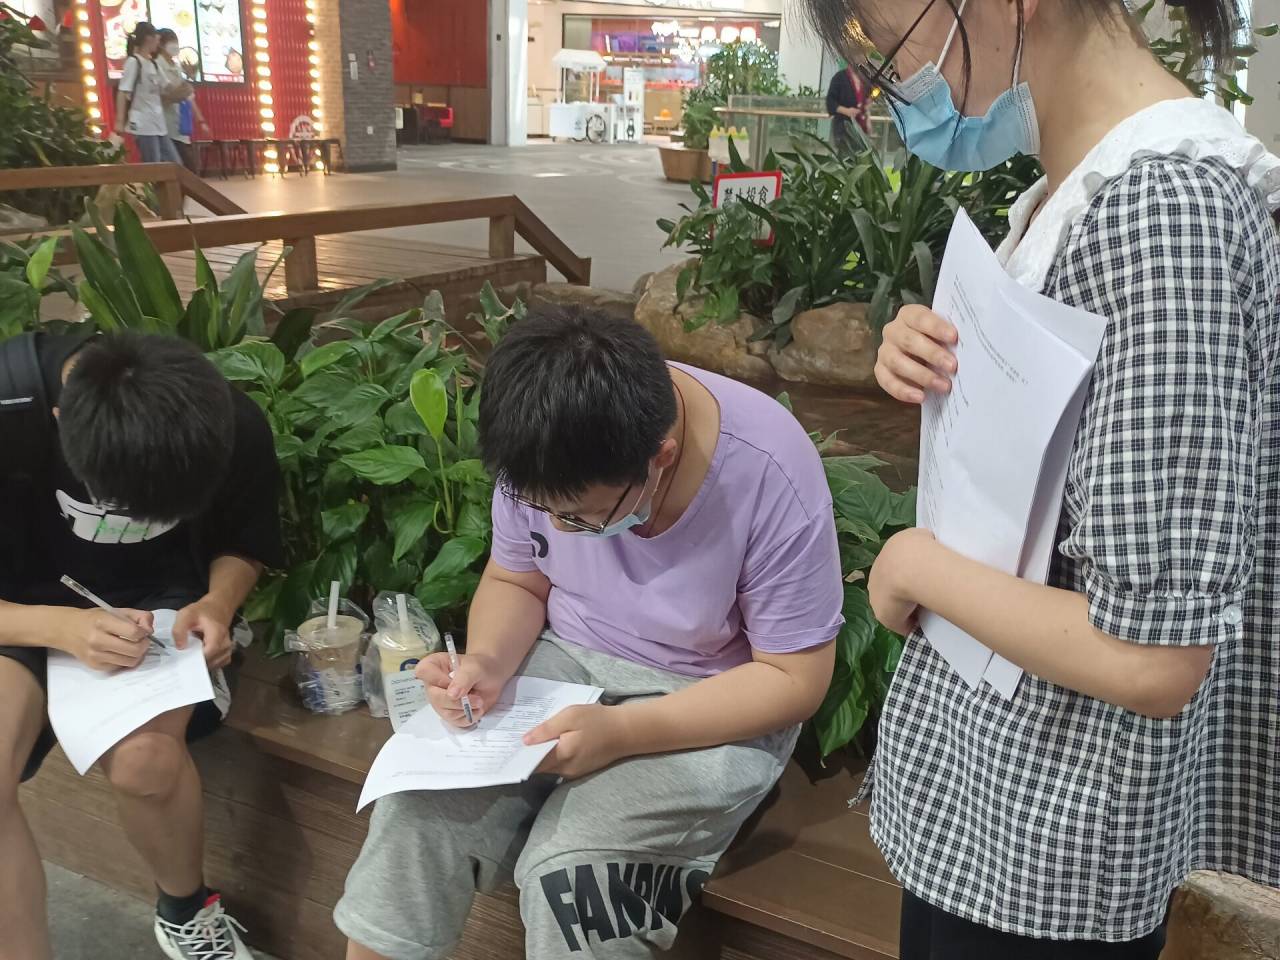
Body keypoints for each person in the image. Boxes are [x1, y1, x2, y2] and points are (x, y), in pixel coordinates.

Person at [800, 0, 1280, 957]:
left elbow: (1152, 658)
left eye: (887, 47)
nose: (896, 88)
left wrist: (913, 567)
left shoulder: (1163, 215)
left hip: (1050, 842)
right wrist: (936, 363)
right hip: (1000, 817)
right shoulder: (1084, 185)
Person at [336, 308, 842, 960]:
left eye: (578, 517)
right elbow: (518, 580)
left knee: (573, 877)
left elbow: (794, 678)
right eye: (542, 509)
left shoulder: (769, 470)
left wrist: (624, 731)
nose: (557, 529)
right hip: (567, 664)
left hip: (716, 698)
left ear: (660, 458)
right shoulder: (542, 440)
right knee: (415, 811)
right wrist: (487, 662)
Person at [0, 332, 283, 960]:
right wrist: (58, 628)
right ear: (60, 421)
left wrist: (218, 603)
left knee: (145, 762)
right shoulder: (9, 407)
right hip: (14, 609)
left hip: (157, 606)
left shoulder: (221, 420)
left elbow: (244, 539)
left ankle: (185, 913)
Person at [114, 22, 183, 165]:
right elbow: (122, 92)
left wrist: (185, 83)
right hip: (142, 124)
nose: (158, 43)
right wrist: (119, 121)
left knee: (175, 164)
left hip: (158, 124)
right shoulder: (134, 62)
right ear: (148, 38)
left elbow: (168, 87)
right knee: (153, 165)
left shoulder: (153, 64)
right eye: (157, 39)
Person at [157, 28, 208, 171]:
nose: (175, 47)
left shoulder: (177, 67)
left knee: (188, 168)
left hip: (180, 126)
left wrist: (201, 121)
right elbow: (162, 96)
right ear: (161, 45)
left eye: (176, 43)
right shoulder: (157, 65)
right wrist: (181, 91)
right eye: (172, 43)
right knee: (182, 168)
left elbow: (188, 95)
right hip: (164, 126)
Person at [825, 61, 871, 152]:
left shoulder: (864, 79)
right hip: (844, 127)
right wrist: (846, 111)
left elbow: (866, 103)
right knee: (846, 154)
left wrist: (868, 121)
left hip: (861, 127)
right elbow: (830, 102)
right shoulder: (839, 78)